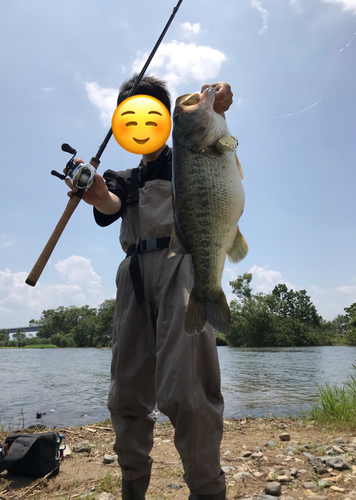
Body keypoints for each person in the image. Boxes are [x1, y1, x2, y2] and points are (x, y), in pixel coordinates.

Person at [66, 75, 234, 500]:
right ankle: (132, 486)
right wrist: (98, 191)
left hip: (183, 268)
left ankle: (207, 490)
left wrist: (219, 106)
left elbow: (217, 153)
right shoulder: (122, 177)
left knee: (187, 388)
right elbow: (112, 205)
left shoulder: (188, 156)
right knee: (126, 389)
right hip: (134, 277)